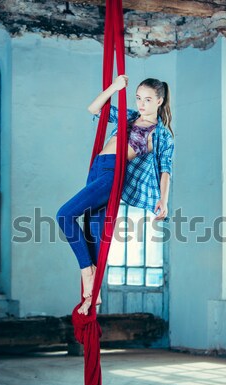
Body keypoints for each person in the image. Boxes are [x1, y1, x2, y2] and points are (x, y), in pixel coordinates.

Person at [56, 75, 174, 316]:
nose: (141, 104)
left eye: (148, 99)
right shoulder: (130, 117)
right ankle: (92, 297)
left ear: (160, 101)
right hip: (96, 170)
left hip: (112, 174)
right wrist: (114, 87)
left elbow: (165, 169)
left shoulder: (161, 135)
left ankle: (86, 271)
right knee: (95, 240)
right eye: (139, 98)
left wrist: (164, 200)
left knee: (64, 216)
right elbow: (94, 108)